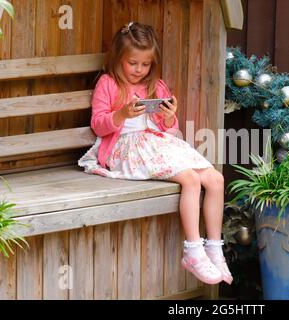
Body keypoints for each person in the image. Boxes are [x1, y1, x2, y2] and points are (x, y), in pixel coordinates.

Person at [78, 22, 232, 285]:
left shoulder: (156, 86)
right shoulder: (108, 83)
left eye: (145, 64)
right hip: (126, 149)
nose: (139, 70)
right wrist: (121, 114)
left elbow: (168, 130)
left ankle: (214, 249)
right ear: (118, 59)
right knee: (190, 179)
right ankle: (193, 250)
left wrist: (170, 117)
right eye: (132, 63)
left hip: (157, 144)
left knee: (216, 179)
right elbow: (99, 124)